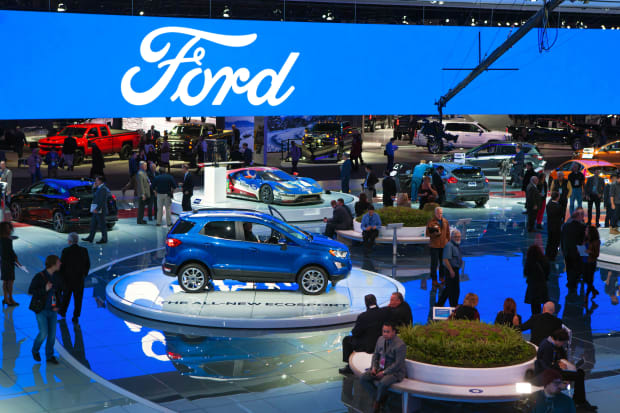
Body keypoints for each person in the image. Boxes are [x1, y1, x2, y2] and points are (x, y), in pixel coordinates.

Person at [534, 329, 597, 411]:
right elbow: (546, 365)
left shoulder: (551, 343)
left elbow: (557, 357)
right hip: (549, 373)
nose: (562, 344)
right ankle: (579, 401)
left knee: (580, 372)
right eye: (562, 342)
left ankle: (579, 399)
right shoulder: (547, 347)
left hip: (554, 369)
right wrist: (558, 365)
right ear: (558, 340)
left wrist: (559, 363)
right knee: (579, 375)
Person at [360, 321, 407, 413]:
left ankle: (377, 403)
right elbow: (376, 355)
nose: (385, 334)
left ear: (394, 332)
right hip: (380, 368)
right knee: (363, 378)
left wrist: (384, 372)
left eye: (387, 332)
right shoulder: (380, 339)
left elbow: (398, 364)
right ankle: (379, 399)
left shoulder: (400, 345)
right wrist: (374, 367)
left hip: (395, 372)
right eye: (383, 331)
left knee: (383, 383)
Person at [339, 294, 389, 375]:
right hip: (382, 342)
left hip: (368, 346)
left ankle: (349, 367)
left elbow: (355, 332)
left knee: (346, 340)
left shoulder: (363, 316)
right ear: (375, 301)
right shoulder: (384, 312)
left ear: (366, 303)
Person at [28, 255, 62, 364]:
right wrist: (45, 289)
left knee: (52, 335)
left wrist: (58, 305)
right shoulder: (39, 277)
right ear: (53, 264)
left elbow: (58, 292)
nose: (60, 263)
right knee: (43, 333)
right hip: (41, 310)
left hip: (52, 309)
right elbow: (31, 291)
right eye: (58, 262)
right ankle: (35, 350)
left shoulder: (57, 276)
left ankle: (49, 356)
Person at [59, 233, 90, 323]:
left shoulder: (66, 251)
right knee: (78, 299)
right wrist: (84, 275)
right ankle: (76, 316)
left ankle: (62, 313)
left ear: (70, 241)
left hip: (68, 279)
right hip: (79, 279)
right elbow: (87, 264)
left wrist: (61, 277)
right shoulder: (84, 250)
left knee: (66, 297)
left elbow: (62, 266)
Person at [561, 208, 586, 292]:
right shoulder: (582, 227)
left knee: (569, 267)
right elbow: (583, 241)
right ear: (580, 216)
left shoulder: (565, 226)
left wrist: (563, 250)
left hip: (567, 251)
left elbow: (562, 239)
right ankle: (574, 283)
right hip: (577, 252)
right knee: (577, 268)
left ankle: (570, 283)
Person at [426, 207, 450, 290]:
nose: (440, 215)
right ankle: (434, 279)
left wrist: (448, 242)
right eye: (438, 213)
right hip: (434, 246)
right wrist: (435, 233)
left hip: (443, 245)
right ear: (435, 213)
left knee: (443, 263)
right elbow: (427, 233)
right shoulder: (431, 222)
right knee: (434, 264)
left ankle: (442, 277)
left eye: (441, 213)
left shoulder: (445, 221)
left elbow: (448, 233)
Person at [437, 230, 463, 307]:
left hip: (455, 269)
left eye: (459, 237)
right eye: (456, 237)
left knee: (450, 288)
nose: (458, 238)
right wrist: (451, 270)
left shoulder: (457, 245)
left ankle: (440, 304)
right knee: (453, 289)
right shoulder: (449, 246)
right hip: (450, 270)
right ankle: (453, 305)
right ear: (451, 237)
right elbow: (445, 260)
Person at [82, 176, 109, 244]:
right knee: (93, 224)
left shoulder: (103, 189)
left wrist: (97, 209)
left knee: (102, 225)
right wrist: (93, 188)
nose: (95, 182)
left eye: (96, 180)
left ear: (100, 181)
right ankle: (90, 238)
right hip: (96, 209)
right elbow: (94, 196)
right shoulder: (98, 188)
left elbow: (102, 201)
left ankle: (104, 239)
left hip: (100, 210)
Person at [524, 244, 550, 315]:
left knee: (534, 308)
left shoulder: (529, 262)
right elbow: (547, 273)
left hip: (533, 287)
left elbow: (526, 273)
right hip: (543, 286)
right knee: (544, 306)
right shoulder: (545, 260)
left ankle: (535, 319)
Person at [1, 222, 20, 307]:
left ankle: (6, 298)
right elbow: (10, 251)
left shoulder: (2, 239)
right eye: (8, 228)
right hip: (8, 262)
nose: (9, 229)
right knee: (10, 281)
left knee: (6, 280)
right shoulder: (7, 240)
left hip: (4, 262)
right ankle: (9, 299)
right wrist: (15, 259)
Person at [582, 226, 600, 300]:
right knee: (585, 279)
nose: (585, 232)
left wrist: (590, 252)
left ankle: (586, 296)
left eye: (586, 231)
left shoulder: (596, 241)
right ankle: (593, 290)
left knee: (589, 280)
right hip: (584, 261)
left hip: (591, 262)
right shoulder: (585, 239)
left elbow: (597, 254)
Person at [545, 191, 563, 259]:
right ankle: (552, 255)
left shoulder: (548, 205)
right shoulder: (559, 207)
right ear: (557, 197)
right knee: (555, 242)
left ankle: (547, 254)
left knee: (550, 241)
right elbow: (561, 216)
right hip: (556, 227)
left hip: (550, 226)